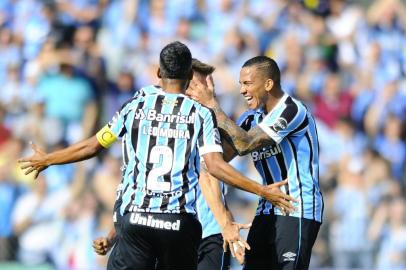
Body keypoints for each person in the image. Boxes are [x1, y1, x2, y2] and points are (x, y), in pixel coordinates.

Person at [19, 42, 296, 270]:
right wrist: (261, 190)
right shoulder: (200, 114)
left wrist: (49, 159)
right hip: (177, 224)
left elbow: (94, 145)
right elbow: (213, 167)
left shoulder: (136, 105)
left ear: (158, 73)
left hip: (137, 219)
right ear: (189, 75)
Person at [92, 59, 251, 267]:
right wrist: (114, 235)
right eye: (197, 85)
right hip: (172, 230)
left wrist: (212, 105)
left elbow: (242, 145)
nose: (204, 90)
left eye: (209, 86)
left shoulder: (209, 121)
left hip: (212, 233)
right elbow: (142, 194)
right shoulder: (161, 125)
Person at [187, 55, 324, 270]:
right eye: (240, 84)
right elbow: (216, 161)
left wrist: (212, 104)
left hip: (296, 209)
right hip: (265, 211)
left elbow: (245, 143)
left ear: (268, 84)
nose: (242, 90)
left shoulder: (293, 110)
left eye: (248, 83)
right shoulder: (251, 118)